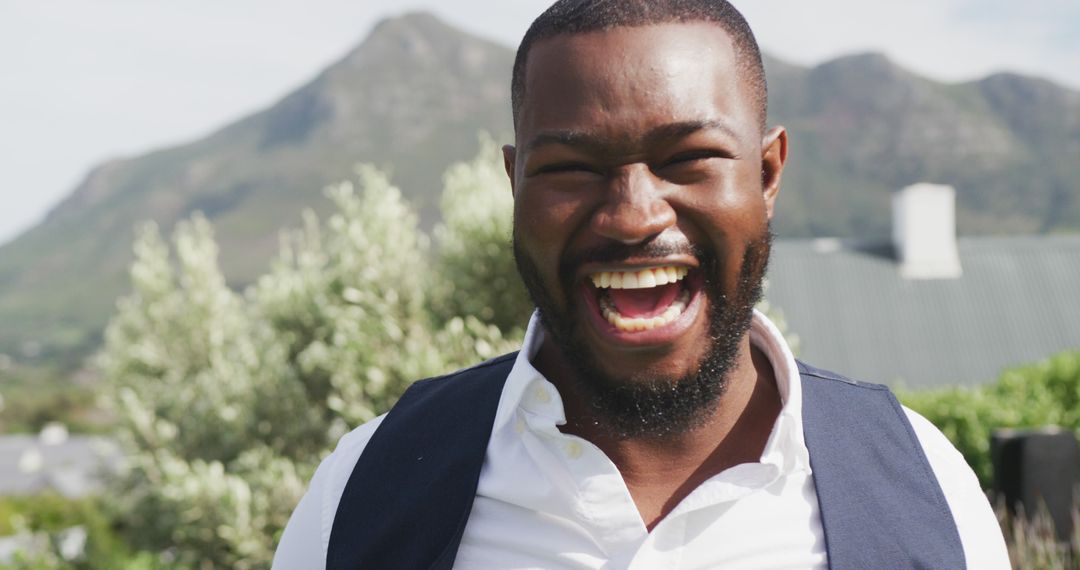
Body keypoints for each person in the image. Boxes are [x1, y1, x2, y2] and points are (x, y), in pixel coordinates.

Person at [273, 1, 1010, 568]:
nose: (633, 216)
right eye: (570, 168)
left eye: (688, 158)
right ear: (515, 183)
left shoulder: (920, 486)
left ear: (768, 174)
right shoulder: (370, 485)